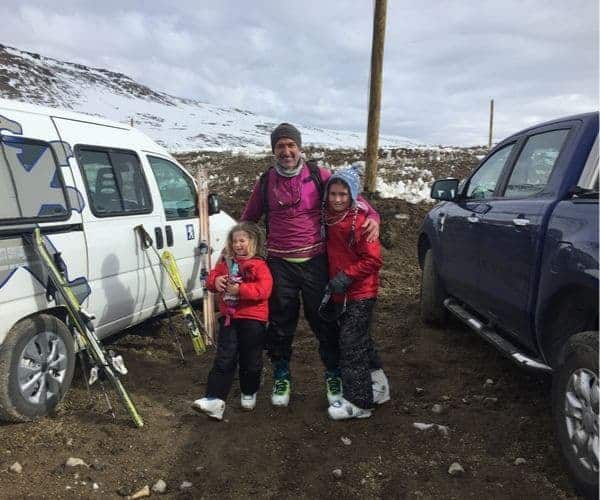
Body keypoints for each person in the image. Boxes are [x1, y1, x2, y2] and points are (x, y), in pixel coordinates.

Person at [241, 123, 380, 407]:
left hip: (316, 262)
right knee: (280, 323)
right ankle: (282, 374)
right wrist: (236, 251)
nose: (286, 151)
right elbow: (248, 219)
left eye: (291, 145)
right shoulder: (266, 181)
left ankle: (333, 373)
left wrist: (374, 218)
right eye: (280, 146)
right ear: (273, 150)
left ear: (299, 147)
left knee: (324, 320)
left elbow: (355, 198)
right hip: (279, 264)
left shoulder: (319, 175)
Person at [321, 164, 390, 420]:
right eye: (333, 194)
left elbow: (373, 260)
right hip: (343, 292)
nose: (338, 199)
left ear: (352, 195)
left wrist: (346, 277)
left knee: (350, 345)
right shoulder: (328, 216)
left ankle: (359, 402)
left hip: (360, 292)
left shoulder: (361, 222)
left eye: (343, 194)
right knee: (361, 341)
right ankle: (379, 388)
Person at [192, 222, 273, 420]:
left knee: (251, 359)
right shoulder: (226, 262)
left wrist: (241, 290)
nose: (238, 245)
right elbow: (212, 278)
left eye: (242, 240)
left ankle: (249, 390)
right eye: (234, 241)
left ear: (252, 243)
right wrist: (215, 282)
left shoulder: (259, 265)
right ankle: (214, 400)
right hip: (230, 318)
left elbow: (264, 290)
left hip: (253, 320)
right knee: (224, 357)